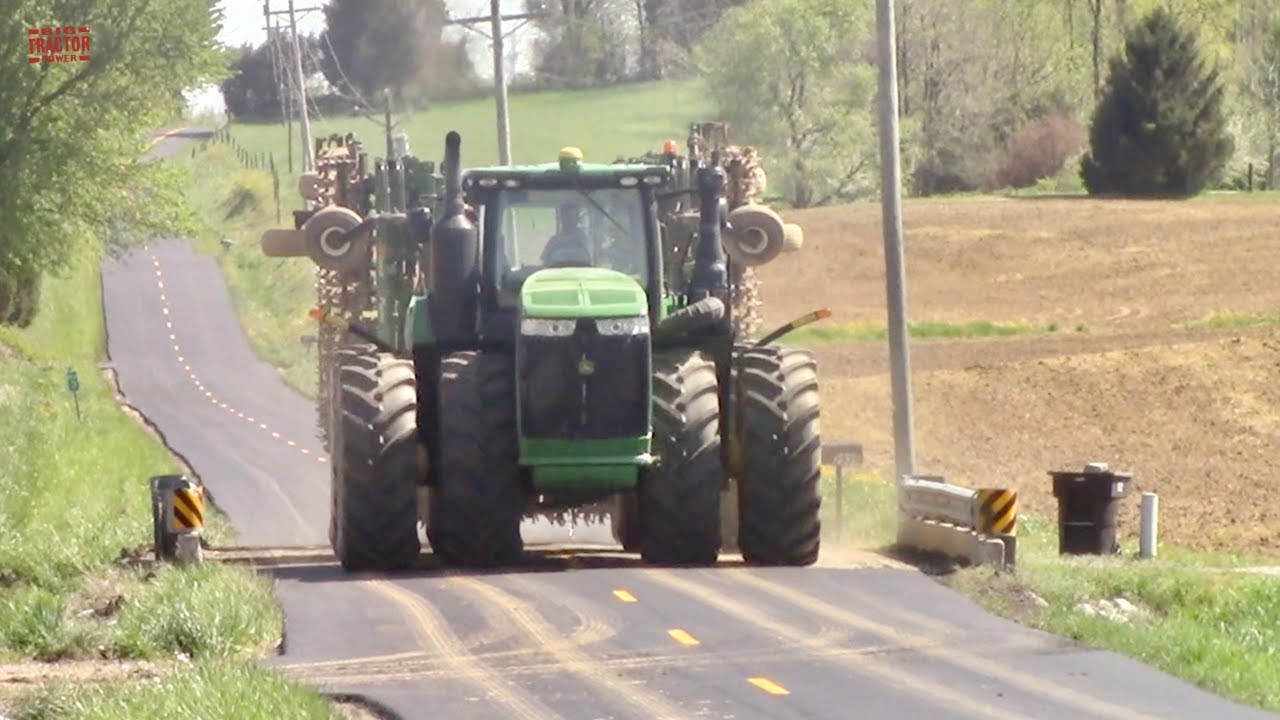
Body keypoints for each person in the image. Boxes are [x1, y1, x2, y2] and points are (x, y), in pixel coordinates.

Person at [541, 201, 592, 266]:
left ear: (577, 219)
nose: (568, 220)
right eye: (565, 216)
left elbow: (592, 262)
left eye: (571, 216)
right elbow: (545, 262)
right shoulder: (554, 241)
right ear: (561, 219)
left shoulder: (585, 241)